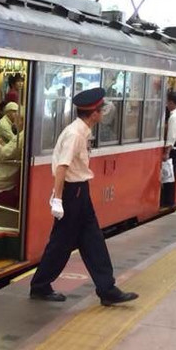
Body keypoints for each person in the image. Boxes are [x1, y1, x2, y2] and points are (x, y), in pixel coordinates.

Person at [30, 88, 139, 306]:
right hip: (73, 192)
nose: (103, 113)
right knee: (61, 243)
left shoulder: (81, 130)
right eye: (101, 110)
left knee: (92, 240)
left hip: (80, 190)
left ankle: (106, 288)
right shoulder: (75, 134)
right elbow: (62, 167)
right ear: (94, 113)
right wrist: (58, 198)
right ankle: (41, 285)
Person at [0, 101, 23, 206]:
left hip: (6, 175)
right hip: (10, 170)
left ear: (21, 120)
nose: (15, 121)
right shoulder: (7, 125)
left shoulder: (21, 136)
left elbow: (3, 153)